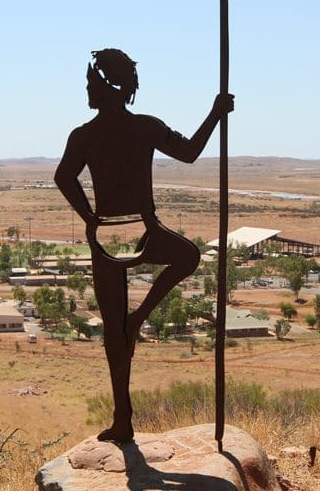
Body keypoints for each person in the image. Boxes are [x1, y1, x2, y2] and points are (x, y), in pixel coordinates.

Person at [55, 48, 234, 442]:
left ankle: (125, 405)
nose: (87, 89)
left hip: (107, 237)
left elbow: (64, 178)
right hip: (141, 231)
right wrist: (215, 115)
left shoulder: (85, 135)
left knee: (114, 334)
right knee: (186, 257)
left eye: (90, 83)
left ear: (107, 87)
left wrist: (90, 219)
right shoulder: (143, 127)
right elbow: (189, 152)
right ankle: (135, 335)